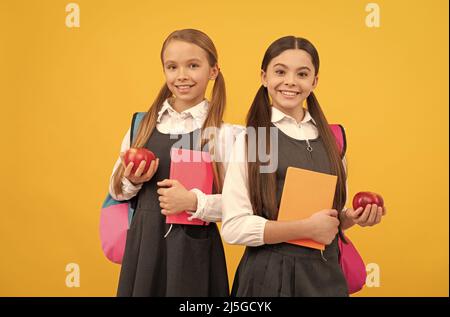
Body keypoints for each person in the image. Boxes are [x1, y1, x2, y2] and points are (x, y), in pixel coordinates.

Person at [221, 36, 386, 297]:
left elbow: (330, 218)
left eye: (302, 73)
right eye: (280, 71)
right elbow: (234, 226)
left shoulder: (334, 139)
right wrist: (306, 228)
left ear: (314, 81)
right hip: (268, 279)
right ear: (264, 77)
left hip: (324, 276)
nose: (290, 81)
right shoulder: (252, 139)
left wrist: (350, 218)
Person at [108, 29, 242, 297]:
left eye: (193, 65)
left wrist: (194, 202)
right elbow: (115, 191)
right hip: (144, 247)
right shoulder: (141, 125)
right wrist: (133, 180)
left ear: (213, 71)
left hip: (194, 252)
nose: (181, 75)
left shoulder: (227, 134)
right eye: (172, 67)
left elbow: (239, 205)